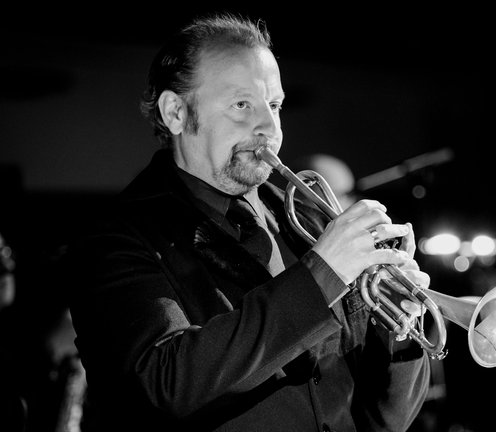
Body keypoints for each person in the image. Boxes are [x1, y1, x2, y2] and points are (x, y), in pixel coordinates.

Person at [63, 12, 430, 432]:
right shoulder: (114, 236)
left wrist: (398, 326)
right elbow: (164, 385)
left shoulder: (308, 217)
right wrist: (320, 277)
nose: (269, 128)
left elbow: (388, 419)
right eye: (242, 105)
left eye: (274, 105)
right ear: (176, 112)